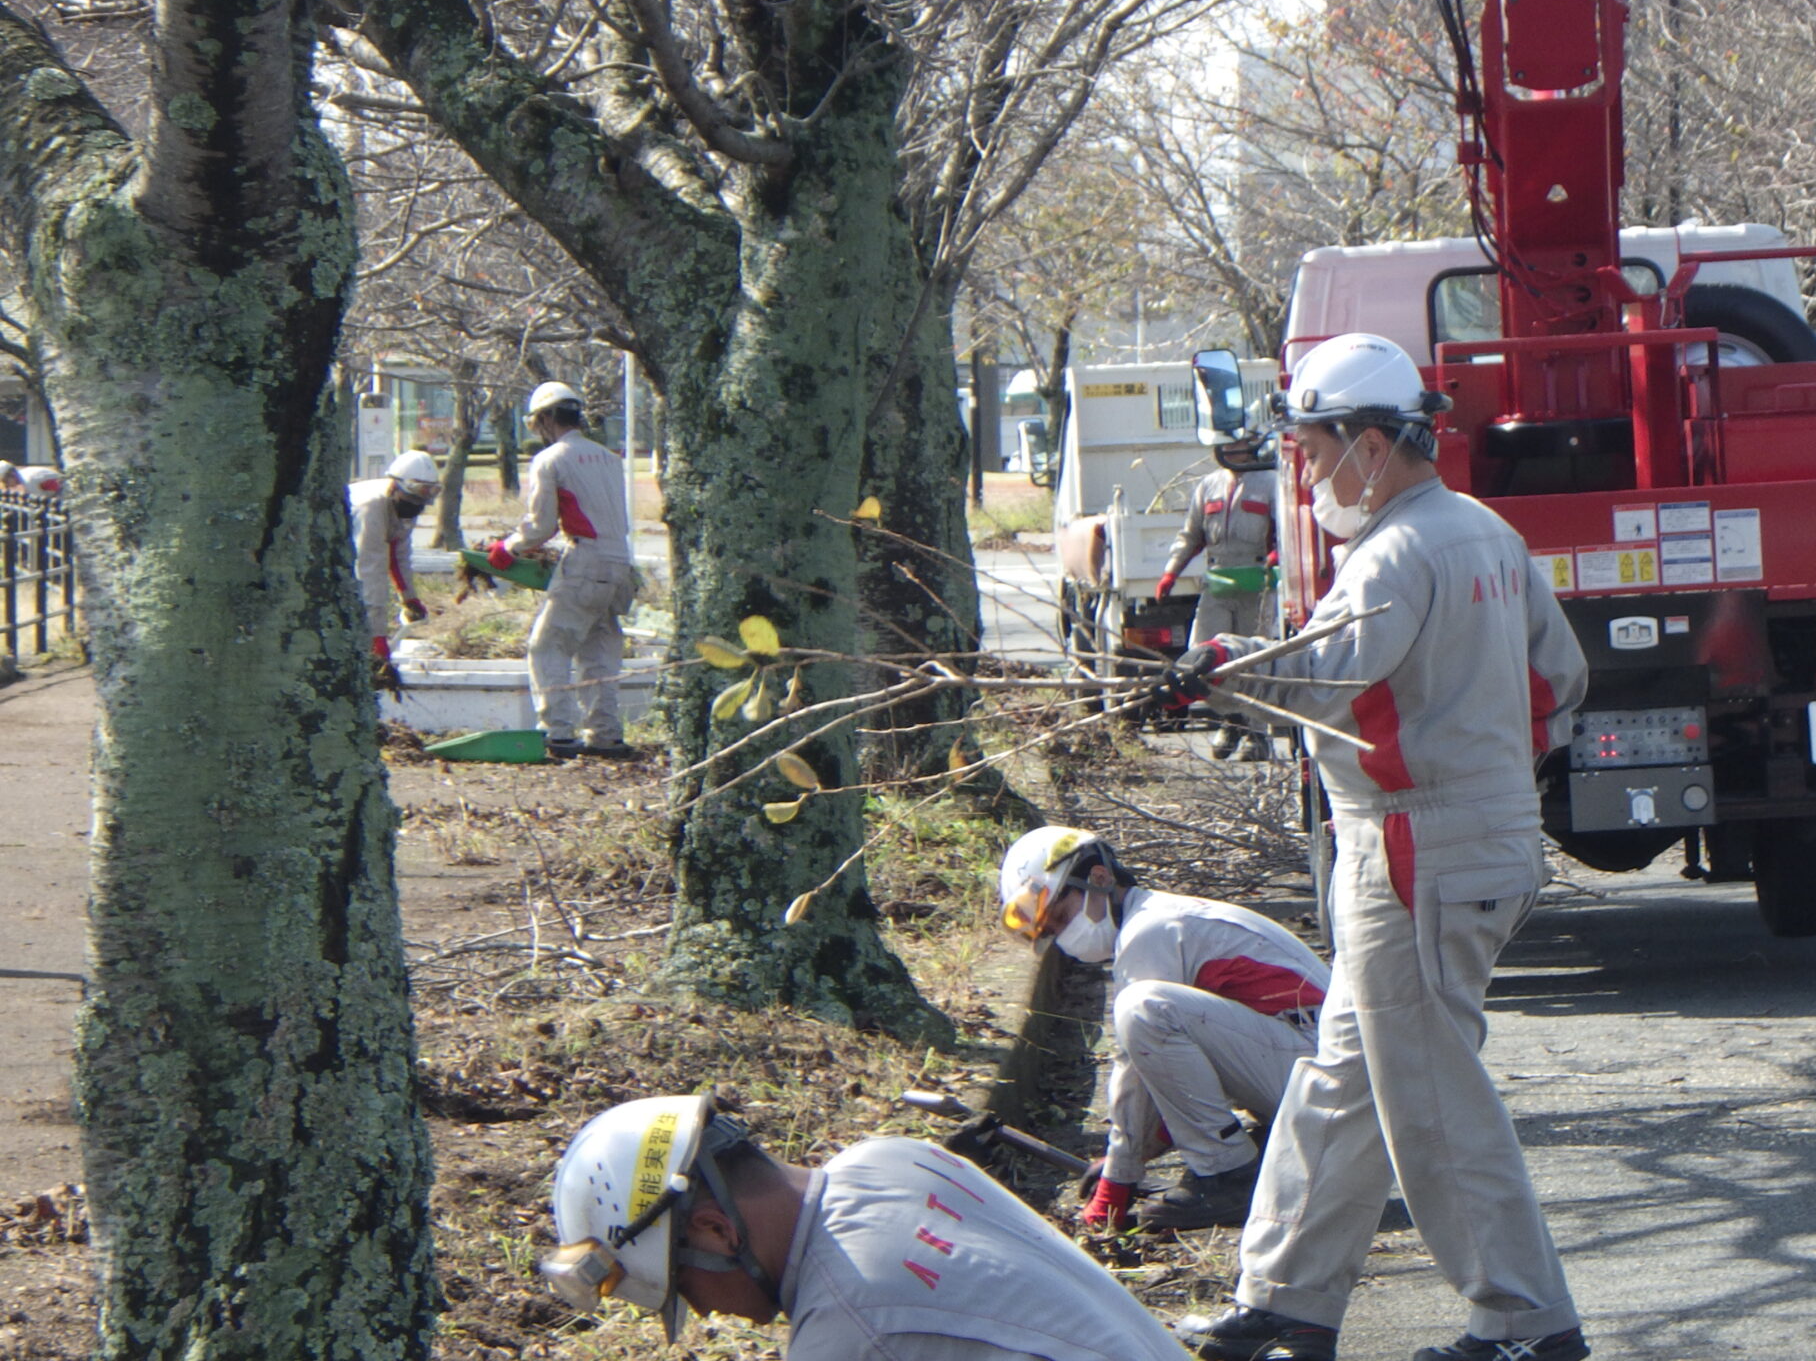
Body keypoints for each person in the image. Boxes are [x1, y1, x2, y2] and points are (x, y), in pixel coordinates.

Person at [1164, 334, 1593, 1361]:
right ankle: (1287, 1297)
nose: (1305, 471)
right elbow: (1559, 682)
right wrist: (1482, 763)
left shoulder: (1393, 553)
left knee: (1431, 1096)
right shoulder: (1481, 532)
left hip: (1415, 848)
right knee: (1345, 1079)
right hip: (1458, 834)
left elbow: (1325, 680)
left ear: (1366, 442)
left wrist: (1220, 670)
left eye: (1311, 449)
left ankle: (1529, 1323)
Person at [543, 1094, 1192, 1360]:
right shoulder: (891, 1156)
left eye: (685, 1292)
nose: (709, 1314)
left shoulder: (852, 1328)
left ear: (715, 1232)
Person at [996, 825, 1329, 1232]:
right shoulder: (1159, 918)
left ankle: (1226, 1175)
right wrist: (1139, 1151)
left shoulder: (1150, 930)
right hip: (1316, 1072)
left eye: (1061, 919)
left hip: (1326, 1081)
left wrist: (1118, 1179)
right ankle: (1236, 1159)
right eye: (1051, 932)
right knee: (1152, 1019)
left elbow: (1134, 1070)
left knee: (1142, 1010)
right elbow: (1176, 1070)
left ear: (1099, 878)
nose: (1063, 938)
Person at [486, 381, 635, 760]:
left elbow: (541, 526)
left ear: (548, 417)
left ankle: (559, 733)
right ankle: (605, 735)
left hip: (585, 561)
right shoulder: (607, 456)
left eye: (537, 422)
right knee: (598, 650)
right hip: (621, 563)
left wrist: (507, 548)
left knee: (548, 646)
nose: (537, 429)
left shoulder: (552, 459)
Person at [1156, 437, 1280, 760]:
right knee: (1205, 654)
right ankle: (1229, 720)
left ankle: (1257, 734)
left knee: (1254, 660)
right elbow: (1191, 535)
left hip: (1258, 585)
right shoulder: (1207, 486)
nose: (1232, 452)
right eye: (1227, 446)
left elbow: (1285, 530)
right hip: (1218, 584)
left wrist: (1278, 553)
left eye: (1239, 445)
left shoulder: (1270, 482)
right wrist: (1171, 571)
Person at [347, 450, 441, 664]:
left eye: (423, 499)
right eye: (412, 497)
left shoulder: (404, 508)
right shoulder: (372, 506)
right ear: (395, 486)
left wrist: (409, 598)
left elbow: (399, 555)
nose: (416, 505)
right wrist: (377, 636)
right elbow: (371, 570)